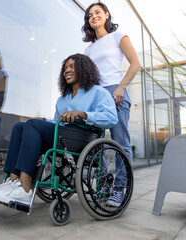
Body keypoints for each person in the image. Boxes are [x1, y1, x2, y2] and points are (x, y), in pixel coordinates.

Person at [0, 54, 118, 206]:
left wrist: (82, 114)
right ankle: (12, 182)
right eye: (65, 68)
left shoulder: (98, 92)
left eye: (71, 67)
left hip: (82, 138)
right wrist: (45, 121)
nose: (67, 70)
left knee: (32, 124)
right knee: (20, 126)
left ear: (83, 69)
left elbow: (111, 118)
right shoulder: (63, 99)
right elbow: (56, 122)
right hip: (62, 135)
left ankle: (25, 188)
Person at [82, 2, 141, 207]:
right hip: (96, 96)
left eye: (98, 12)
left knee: (120, 142)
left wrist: (121, 88)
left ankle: (119, 190)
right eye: (90, 15)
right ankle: (105, 185)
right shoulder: (89, 49)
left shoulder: (118, 36)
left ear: (106, 15)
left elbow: (136, 64)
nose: (94, 16)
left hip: (115, 91)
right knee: (92, 141)